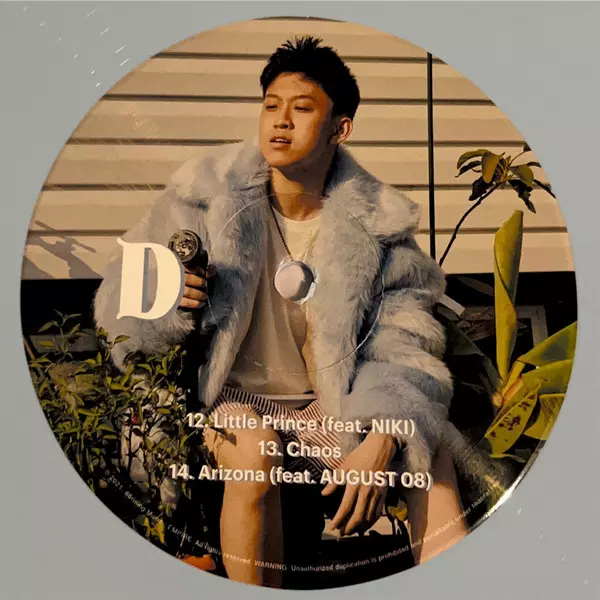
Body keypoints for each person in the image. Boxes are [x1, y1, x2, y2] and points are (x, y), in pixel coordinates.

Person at [94, 36, 492, 587]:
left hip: (324, 405)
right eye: (270, 106)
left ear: (339, 128)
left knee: (431, 455)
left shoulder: (380, 227)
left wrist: (384, 435)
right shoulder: (204, 197)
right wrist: (168, 301)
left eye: (302, 109)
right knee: (255, 454)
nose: (280, 121)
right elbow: (119, 305)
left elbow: (403, 347)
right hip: (224, 397)